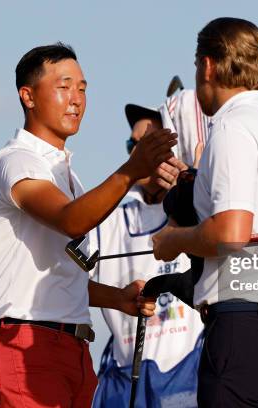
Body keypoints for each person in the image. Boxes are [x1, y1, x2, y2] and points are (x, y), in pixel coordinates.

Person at [0, 42, 177, 408]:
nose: (76, 99)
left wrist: (117, 299)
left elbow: (61, 280)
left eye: (83, 89)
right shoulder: (14, 161)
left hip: (73, 351)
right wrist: (132, 171)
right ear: (28, 96)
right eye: (64, 86)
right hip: (27, 349)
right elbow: (71, 221)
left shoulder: (68, 175)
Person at [152, 17, 258, 407]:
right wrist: (195, 183)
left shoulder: (230, 128)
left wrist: (173, 240)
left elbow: (232, 232)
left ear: (207, 66)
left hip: (245, 325)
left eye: (196, 65)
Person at [92, 97, 208, 408]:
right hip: (126, 379)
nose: (137, 152)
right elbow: (63, 280)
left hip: (189, 376)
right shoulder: (107, 215)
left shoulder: (201, 204)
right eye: (133, 144)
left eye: (148, 143)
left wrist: (190, 189)